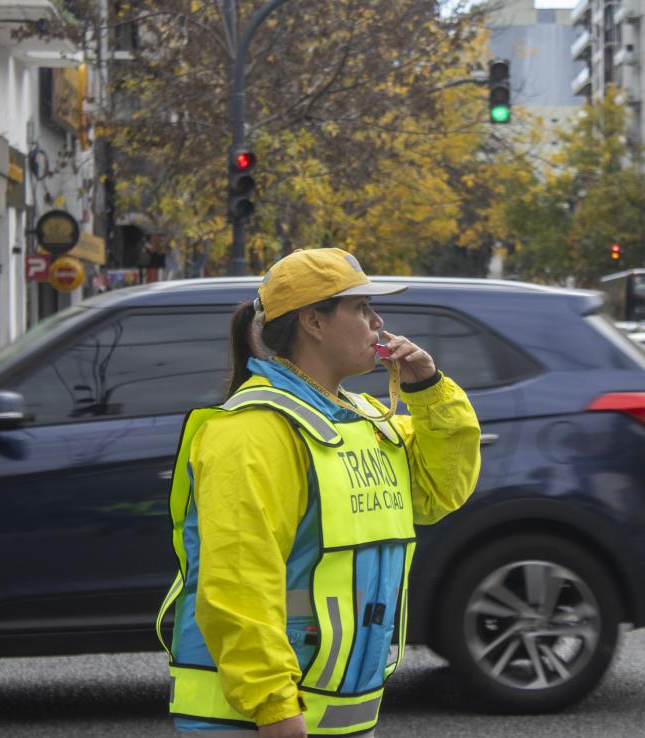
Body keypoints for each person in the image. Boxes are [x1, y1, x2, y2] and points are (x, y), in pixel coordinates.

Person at [156, 248, 481, 737]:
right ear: (314, 321)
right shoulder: (252, 431)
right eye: (361, 308)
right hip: (253, 720)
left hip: (334, 712)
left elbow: (440, 493)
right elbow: (238, 580)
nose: (378, 322)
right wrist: (274, 707)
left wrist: (429, 389)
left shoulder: (364, 419)